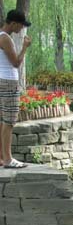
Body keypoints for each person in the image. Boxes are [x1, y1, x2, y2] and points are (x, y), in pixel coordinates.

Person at [0, 10, 31, 168]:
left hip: (1, 80)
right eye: (20, 25)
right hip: (9, 82)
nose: (21, 29)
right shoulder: (5, 39)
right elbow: (16, 63)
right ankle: (8, 159)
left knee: (2, 120)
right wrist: (25, 47)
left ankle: (1, 157)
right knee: (9, 121)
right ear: (13, 23)